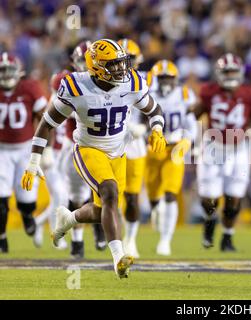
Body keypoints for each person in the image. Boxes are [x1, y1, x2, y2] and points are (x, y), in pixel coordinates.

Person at [21, 39, 166, 278]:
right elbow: (46, 124)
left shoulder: (132, 82)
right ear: (97, 66)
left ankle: (69, 218)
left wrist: (158, 129)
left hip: (118, 152)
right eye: (114, 65)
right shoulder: (77, 87)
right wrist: (34, 161)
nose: (121, 69)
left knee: (104, 211)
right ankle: (119, 258)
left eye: (122, 63)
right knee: (109, 192)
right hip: (88, 149)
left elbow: (153, 109)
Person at [33, 40, 107, 258]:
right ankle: (79, 240)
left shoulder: (108, 82)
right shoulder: (67, 81)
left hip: (98, 144)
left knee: (98, 191)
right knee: (72, 196)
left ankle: (96, 230)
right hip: (69, 146)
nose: (84, 66)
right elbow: (54, 116)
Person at [191, 53, 251, 251]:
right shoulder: (208, 91)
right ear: (219, 73)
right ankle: (210, 220)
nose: (230, 75)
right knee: (208, 198)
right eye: (227, 71)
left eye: (233, 71)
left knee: (234, 198)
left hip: (238, 148)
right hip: (212, 146)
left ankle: (227, 237)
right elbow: (193, 115)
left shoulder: (249, 93)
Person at [146, 59, 197, 256]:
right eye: (162, 78)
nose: (166, 82)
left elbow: (191, 124)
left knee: (170, 193)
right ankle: (155, 209)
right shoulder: (146, 93)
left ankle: (165, 240)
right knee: (153, 197)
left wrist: (188, 140)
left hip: (174, 147)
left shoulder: (184, 94)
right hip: (151, 147)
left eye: (169, 78)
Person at [0, 52, 48, 253]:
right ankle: (1, 237)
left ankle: (28, 216)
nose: (6, 74)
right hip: (1, 150)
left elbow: (46, 120)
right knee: (0, 198)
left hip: (25, 149)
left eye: (9, 70)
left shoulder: (30, 88)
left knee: (26, 200)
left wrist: (46, 151)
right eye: (3, 71)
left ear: (19, 72)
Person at [117, 38, 147, 258]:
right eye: (122, 58)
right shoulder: (102, 79)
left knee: (132, 196)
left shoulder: (145, 80)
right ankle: (111, 238)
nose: (126, 63)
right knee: (109, 194)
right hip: (111, 140)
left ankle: (131, 239)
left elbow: (156, 109)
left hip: (135, 143)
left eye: (131, 58)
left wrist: (144, 128)